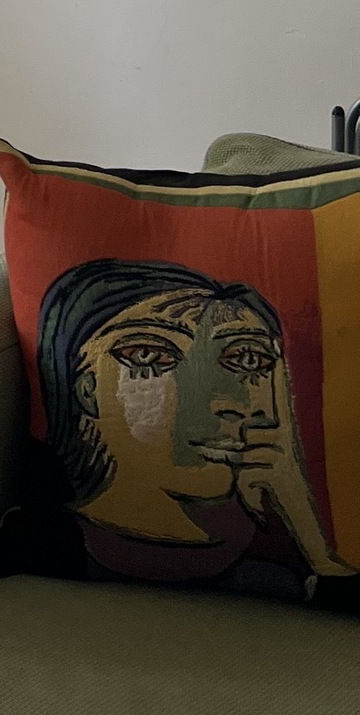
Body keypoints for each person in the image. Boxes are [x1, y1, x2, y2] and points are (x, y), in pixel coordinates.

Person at [35, 257, 357, 602]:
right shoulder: (46, 539)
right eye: (150, 355)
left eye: (249, 359)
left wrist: (307, 528)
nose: (225, 400)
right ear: (85, 389)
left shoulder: (273, 535)